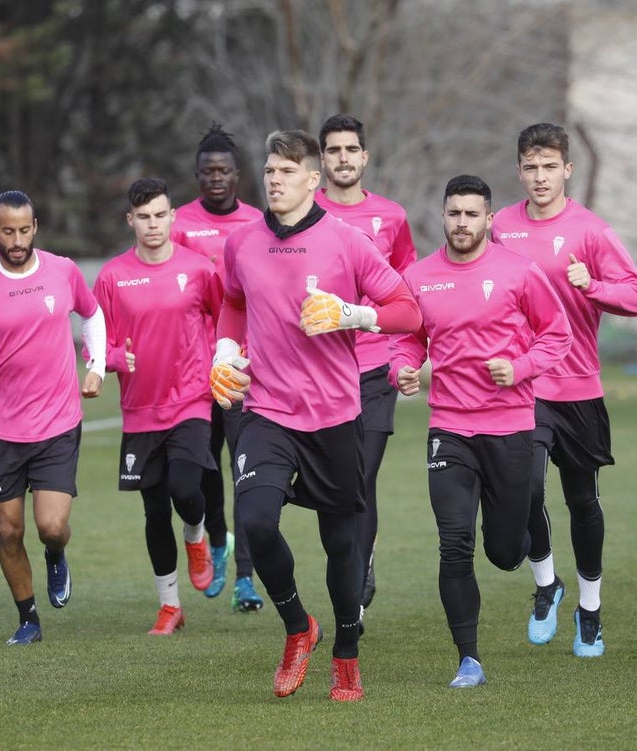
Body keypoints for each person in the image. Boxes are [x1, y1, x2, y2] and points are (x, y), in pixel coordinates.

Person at [210, 129, 421, 701]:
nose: (274, 180)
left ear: (312, 179)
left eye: (286, 171)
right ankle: (298, 626)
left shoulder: (348, 242)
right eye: (269, 170)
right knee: (255, 521)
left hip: (334, 415)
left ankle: (346, 652)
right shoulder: (242, 242)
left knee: (342, 544)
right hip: (267, 410)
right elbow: (232, 302)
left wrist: (353, 314)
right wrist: (225, 353)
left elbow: (407, 311)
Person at [392, 174, 571, 688]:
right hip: (449, 428)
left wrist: (518, 369)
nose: (462, 222)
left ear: (489, 219)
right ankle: (468, 658)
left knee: (504, 552)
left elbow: (556, 335)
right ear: (442, 217)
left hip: (510, 426)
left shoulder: (520, 272)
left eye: (472, 214)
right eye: (454, 213)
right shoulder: (419, 277)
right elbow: (407, 340)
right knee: (454, 543)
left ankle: (543, 573)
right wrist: (402, 369)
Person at [492, 123, 637, 657]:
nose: (540, 177)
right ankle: (546, 585)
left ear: (567, 169)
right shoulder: (500, 227)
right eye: (530, 167)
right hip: (524, 386)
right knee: (526, 490)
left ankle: (590, 610)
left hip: (579, 387)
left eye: (549, 167)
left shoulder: (591, 230)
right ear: (519, 171)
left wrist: (594, 286)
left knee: (582, 501)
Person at [0, 190, 106, 645]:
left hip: (57, 423)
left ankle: (55, 554)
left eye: (24, 230)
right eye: (7, 232)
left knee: (51, 526)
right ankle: (28, 618)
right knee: (8, 529)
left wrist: (95, 366)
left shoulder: (62, 271)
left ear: (35, 227)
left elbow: (92, 315)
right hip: (1, 430)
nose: (17, 241)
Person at [94, 177, 220, 635]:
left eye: (160, 215)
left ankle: (197, 534)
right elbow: (98, 340)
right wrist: (112, 359)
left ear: (173, 217)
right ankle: (170, 606)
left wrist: (225, 361)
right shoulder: (111, 276)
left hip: (191, 400)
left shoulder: (200, 269)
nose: (153, 224)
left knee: (185, 489)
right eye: (143, 217)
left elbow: (225, 318)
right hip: (139, 409)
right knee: (154, 512)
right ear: (130, 220)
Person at [314, 114, 417, 617]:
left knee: (362, 473)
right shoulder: (306, 214)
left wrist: (406, 355)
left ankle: (356, 576)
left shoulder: (391, 217)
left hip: (375, 368)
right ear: (322, 160)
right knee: (338, 481)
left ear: (365, 156)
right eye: (334, 150)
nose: (343, 158)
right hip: (320, 370)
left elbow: (407, 293)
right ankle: (351, 561)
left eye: (351, 149)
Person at [170, 122, 265, 610]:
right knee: (204, 472)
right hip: (192, 373)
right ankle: (219, 542)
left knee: (245, 470)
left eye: (224, 171)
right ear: (197, 176)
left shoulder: (257, 223)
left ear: (237, 175)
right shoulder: (180, 226)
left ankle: (246, 576)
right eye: (207, 172)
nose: (216, 179)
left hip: (244, 370)